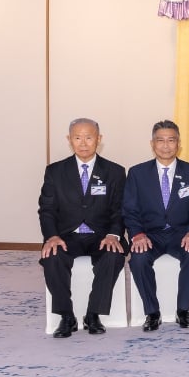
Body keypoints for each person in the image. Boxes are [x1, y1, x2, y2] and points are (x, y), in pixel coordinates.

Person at [38, 118, 128, 338]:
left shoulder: (115, 171)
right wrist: (51, 236)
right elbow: (47, 209)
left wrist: (113, 234)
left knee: (114, 255)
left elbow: (120, 210)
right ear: (70, 140)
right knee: (52, 256)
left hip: (102, 235)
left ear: (99, 139)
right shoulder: (55, 171)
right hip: (67, 235)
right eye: (77, 137)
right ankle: (66, 316)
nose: (84, 143)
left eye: (89, 137)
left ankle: (93, 314)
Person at [122, 120, 189, 331]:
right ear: (152, 144)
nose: (166, 145)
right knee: (138, 259)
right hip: (150, 234)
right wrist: (137, 235)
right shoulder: (137, 173)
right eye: (160, 140)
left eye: (171, 140)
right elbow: (130, 210)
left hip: (181, 233)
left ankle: (183, 311)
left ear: (179, 144)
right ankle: (152, 312)